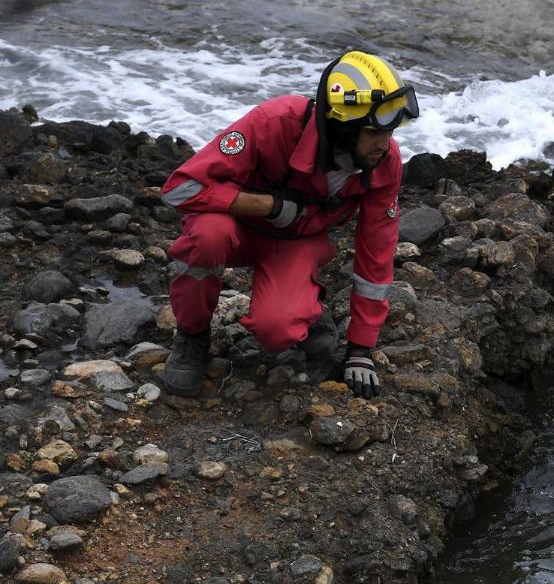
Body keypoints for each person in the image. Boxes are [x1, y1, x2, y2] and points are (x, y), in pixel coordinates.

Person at [159, 50, 419, 399]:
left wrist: (361, 348)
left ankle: (309, 311)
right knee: (208, 234)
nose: (385, 144)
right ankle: (192, 336)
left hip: (295, 244)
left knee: (276, 330)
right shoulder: (274, 122)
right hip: (235, 229)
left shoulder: (384, 162)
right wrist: (266, 205)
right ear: (342, 126)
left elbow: (377, 252)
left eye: (390, 131)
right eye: (374, 132)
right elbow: (180, 189)